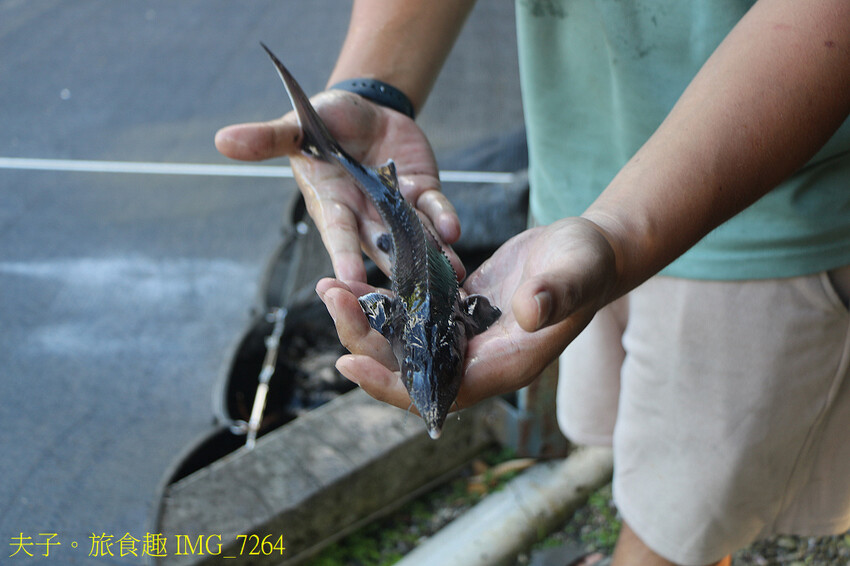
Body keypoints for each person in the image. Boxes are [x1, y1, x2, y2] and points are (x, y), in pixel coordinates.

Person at [216, 1, 850, 564]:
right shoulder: (442, 316)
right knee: (634, 445)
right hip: (572, 196)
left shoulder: (437, 319)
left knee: (690, 502)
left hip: (769, 219)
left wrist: (619, 235)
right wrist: (376, 89)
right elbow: (453, 311)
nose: (434, 417)